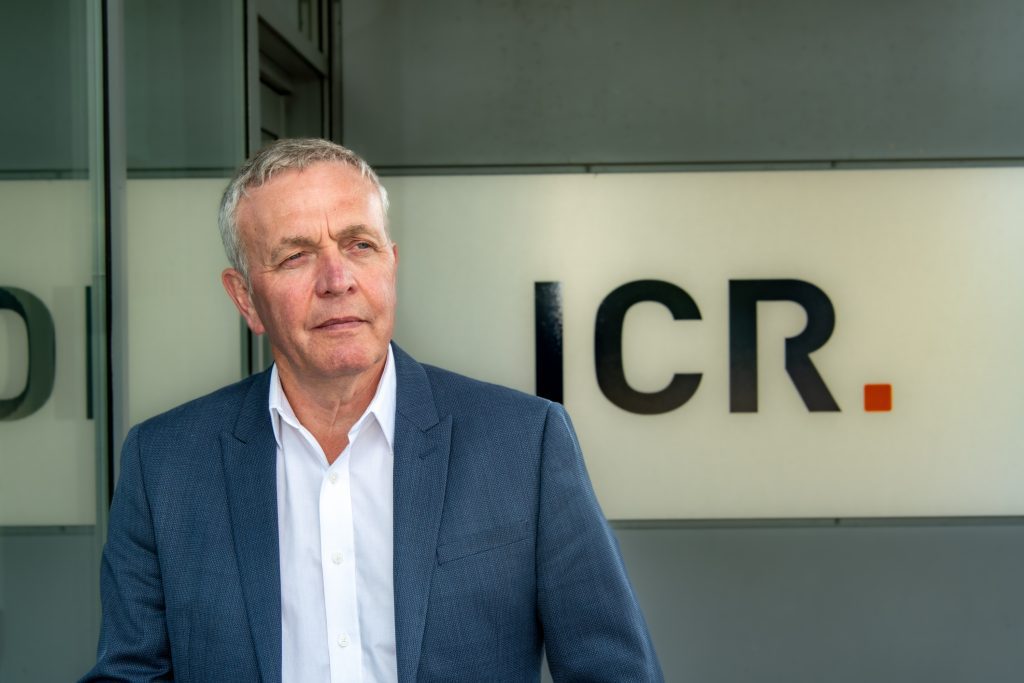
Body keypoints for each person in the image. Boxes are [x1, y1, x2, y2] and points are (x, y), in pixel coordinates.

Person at [81, 138, 662, 682]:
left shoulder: (523, 443)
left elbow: (612, 670)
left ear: (391, 264)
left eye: (359, 245)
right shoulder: (166, 464)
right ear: (245, 299)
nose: (338, 279)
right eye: (296, 256)